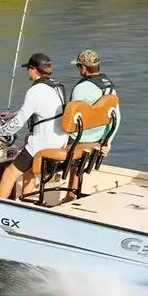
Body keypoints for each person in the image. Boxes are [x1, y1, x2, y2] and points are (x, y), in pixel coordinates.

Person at [0, 52, 68, 199]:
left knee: (9, 173)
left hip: (42, 143)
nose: (28, 72)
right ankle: (27, 204)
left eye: (28, 69)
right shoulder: (56, 86)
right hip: (60, 139)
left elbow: (19, 123)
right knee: (29, 171)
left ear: (34, 70)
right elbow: (46, 110)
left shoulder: (35, 90)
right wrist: (14, 114)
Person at [64, 49, 121, 200]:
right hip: (98, 141)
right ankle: (72, 193)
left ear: (83, 68)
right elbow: (117, 117)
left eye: (78, 67)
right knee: (78, 164)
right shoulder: (109, 88)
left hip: (78, 141)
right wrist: (108, 142)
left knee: (34, 140)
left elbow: (71, 123)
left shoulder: (81, 88)